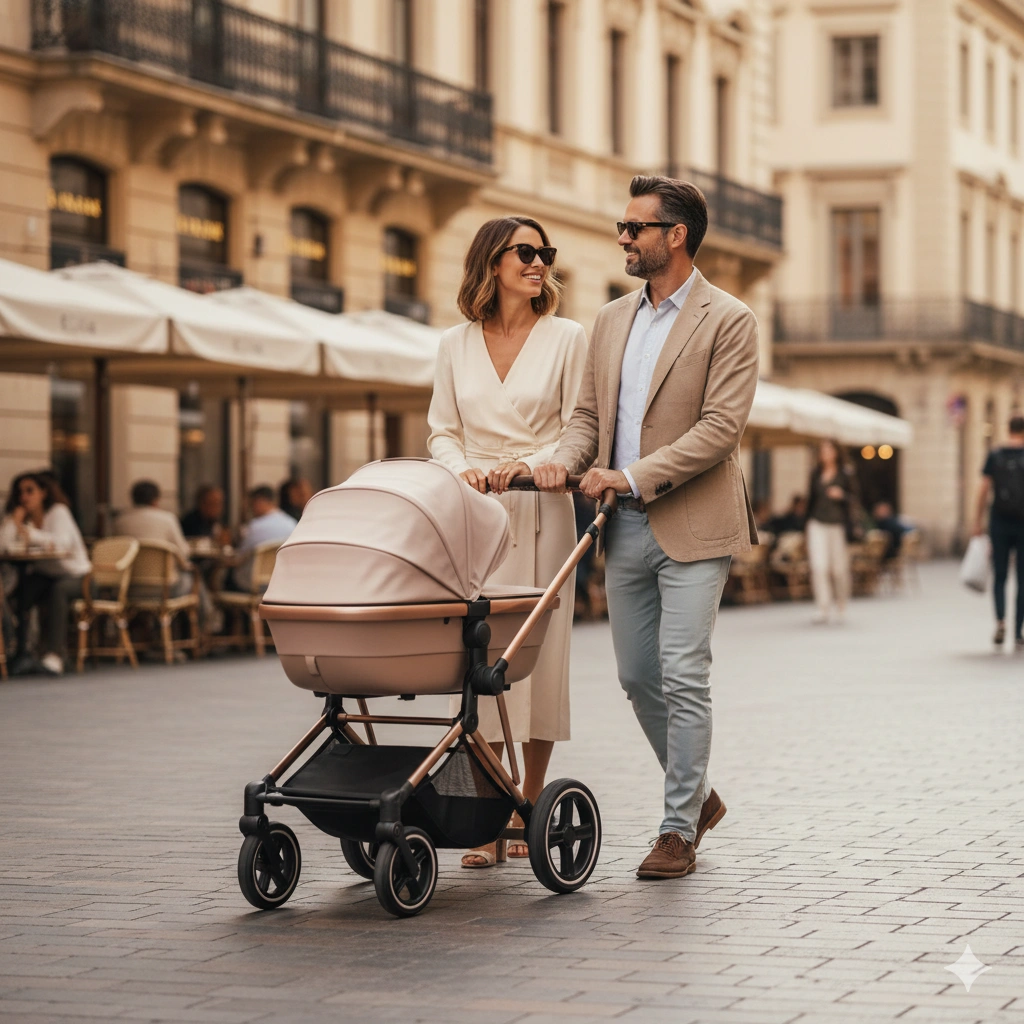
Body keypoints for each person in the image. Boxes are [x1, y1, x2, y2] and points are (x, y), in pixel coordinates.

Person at [535, 174, 760, 881]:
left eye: (635, 228)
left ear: (676, 236)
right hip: (622, 528)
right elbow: (588, 422)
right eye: (622, 228)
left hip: (694, 525)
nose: (623, 238)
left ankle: (676, 831)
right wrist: (558, 463)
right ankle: (698, 797)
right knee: (638, 677)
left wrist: (629, 475)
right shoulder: (609, 320)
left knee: (684, 674)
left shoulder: (729, 319)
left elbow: (721, 429)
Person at [428, 215, 587, 868]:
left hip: (541, 507)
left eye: (544, 252)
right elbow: (442, 429)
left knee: (537, 655)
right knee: (478, 653)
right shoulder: (453, 345)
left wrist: (543, 463)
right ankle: (488, 812)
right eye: (525, 251)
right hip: (475, 513)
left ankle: (530, 797)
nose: (538, 261)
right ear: (491, 262)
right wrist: (458, 469)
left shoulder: (568, 338)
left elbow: (581, 419)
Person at [0, 471, 91, 676]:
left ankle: (55, 656)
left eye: (30, 491)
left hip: (77, 575)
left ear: (43, 492)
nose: (24, 497)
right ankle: (20, 650)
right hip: (45, 575)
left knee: (57, 591)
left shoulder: (58, 512)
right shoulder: (21, 518)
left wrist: (29, 533)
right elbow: (4, 546)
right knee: (19, 594)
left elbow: (62, 544)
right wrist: (14, 522)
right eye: (20, 492)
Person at [973, 415, 1024, 648]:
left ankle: (1000, 622)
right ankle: (1018, 631)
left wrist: (977, 521)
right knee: (1023, 579)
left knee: (1000, 575)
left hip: (999, 521)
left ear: (1008, 429)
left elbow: (983, 489)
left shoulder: (995, 455)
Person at [805, 439, 858, 625]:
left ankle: (841, 604)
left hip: (838, 525)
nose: (825, 453)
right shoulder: (815, 473)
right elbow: (810, 500)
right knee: (819, 567)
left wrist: (842, 495)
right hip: (816, 523)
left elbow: (855, 501)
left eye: (828, 449)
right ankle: (823, 607)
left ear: (836, 452)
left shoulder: (845, 473)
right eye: (822, 450)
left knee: (839, 569)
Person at [231, 485, 297, 593]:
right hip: (284, 583)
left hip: (252, 585)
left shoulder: (254, 527)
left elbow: (239, 557)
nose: (251, 509)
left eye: (251, 505)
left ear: (258, 502)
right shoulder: (292, 524)